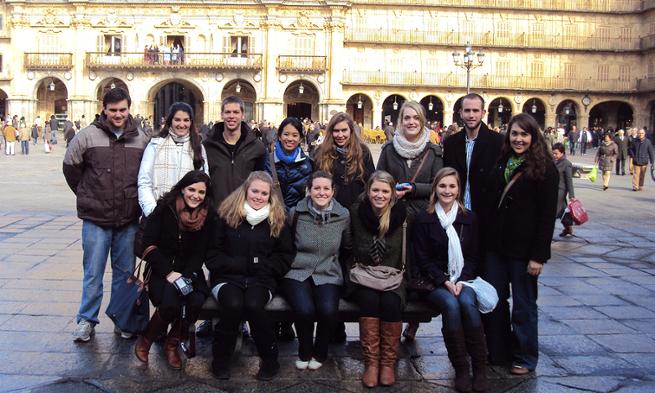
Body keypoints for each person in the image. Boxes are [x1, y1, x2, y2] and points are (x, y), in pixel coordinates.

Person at [63, 87, 150, 342]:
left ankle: (123, 320)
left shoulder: (141, 139)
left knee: (125, 274)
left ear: (129, 108)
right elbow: (71, 168)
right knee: (93, 272)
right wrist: (87, 194)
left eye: (122, 109)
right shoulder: (86, 137)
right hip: (96, 219)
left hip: (128, 219)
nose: (118, 115)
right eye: (113, 110)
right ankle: (86, 320)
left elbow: (146, 176)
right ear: (104, 109)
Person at [481, 113, 558, 375]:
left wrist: (539, 256)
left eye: (524, 134)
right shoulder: (503, 161)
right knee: (495, 300)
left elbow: (548, 217)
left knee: (524, 304)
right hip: (497, 246)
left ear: (533, 137)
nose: (518, 139)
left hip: (524, 251)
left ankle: (525, 356)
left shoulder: (546, 169)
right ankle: (500, 350)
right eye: (514, 134)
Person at [206, 171, 295, 381]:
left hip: (262, 279)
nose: (258, 196)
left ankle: (270, 359)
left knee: (255, 305)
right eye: (254, 191)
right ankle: (220, 358)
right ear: (246, 190)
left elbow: (285, 255)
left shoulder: (278, 219)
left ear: (270, 196)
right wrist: (236, 265)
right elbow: (212, 254)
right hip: (228, 278)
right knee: (233, 305)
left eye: (264, 193)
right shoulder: (226, 214)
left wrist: (265, 268)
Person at [413, 167, 487, 393]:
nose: (447, 191)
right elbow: (422, 259)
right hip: (434, 282)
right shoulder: (424, 219)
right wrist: (444, 280)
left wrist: (461, 280)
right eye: (442, 186)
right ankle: (461, 368)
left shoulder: (469, 218)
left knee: (466, 302)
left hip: (464, 279)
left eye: (452, 186)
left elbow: (474, 257)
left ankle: (480, 368)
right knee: (451, 305)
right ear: (435, 188)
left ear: (459, 189)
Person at [135, 171, 216, 369]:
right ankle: (146, 339)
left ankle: (172, 344)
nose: (196, 195)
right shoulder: (165, 208)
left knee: (196, 300)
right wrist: (168, 273)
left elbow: (200, 253)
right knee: (171, 301)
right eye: (192, 190)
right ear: (183, 188)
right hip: (161, 270)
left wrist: (186, 276)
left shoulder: (208, 215)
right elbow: (148, 243)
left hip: (189, 271)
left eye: (201, 192)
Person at [376, 101, 443, 341]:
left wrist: (413, 189)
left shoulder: (433, 152)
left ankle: (413, 323)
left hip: (423, 218)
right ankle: (392, 322)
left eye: (416, 118)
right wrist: (389, 190)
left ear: (422, 121)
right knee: (394, 267)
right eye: (406, 118)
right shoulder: (388, 150)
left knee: (419, 268)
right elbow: (378, 178)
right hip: (394, 216)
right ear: (400, 121)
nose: (411, 122)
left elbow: (439, 184)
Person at [313, 111, 375, 342]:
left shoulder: (363, 153)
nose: (340, 135)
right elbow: (315, 185)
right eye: (336, 131)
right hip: (328, 218)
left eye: (344, 131)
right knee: (330, 266)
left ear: (351, 132)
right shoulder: (321, 154)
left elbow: (370, 184)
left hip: (356, 217)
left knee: (351, 262)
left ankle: (346, 317)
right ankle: (332, 326)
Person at [281, 171, 352, 371]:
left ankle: (320, 351)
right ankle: (305, 349)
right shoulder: (296, 213)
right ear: (309, 190)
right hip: (297, 270)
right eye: (317, 188)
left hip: (328, 270)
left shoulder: (343, 215)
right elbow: (286, 245)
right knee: (304, 309)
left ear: (333, 191)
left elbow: (347, 246)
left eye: (326, 188)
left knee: (328, 310)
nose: (321, 192)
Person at [347, 170, 408, 388]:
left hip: (393, 276)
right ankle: (371, 362)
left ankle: (388, 363)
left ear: (392, 194)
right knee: (370, 300)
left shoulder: (403, 215)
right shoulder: (356, 212)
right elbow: (348, 247)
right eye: (375, 190)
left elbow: (408, 254)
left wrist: (406, 279)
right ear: (368, 191)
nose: (379, 195)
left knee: (391, 302)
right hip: (363, 276)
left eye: (385, 191)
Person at [138, 102, 208, 218]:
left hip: (188, 216)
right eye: (177, 120)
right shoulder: (155, 145)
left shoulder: (198, 147)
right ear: (170, 121)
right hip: (157, 213)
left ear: (191, 122)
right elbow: (144, 181)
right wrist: (153, 212)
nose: (182, 124)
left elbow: (204, 182)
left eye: (186, 120)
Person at [203, 96, 266, 207]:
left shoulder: (257, 147)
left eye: (236, 112)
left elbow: (262, 181)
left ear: (242, 115)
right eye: (227, 112)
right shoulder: (207, 146)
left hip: (245, 213)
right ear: (222, 115)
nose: (231, 116)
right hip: (215, 214)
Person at [264, 116, 313, 210]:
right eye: (286, 134)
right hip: (272, 216)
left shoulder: (308, 164)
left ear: (300, 139)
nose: (290, 139)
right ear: (279, 136)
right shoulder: (267, 161)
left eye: (295, 135)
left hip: (296, 218)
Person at [552, 143, 576, 237]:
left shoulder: (566, 164)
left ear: (562, 153)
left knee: (552, 212)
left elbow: (569, 180)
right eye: (553, 153)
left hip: (560, 191)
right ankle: (568, 228)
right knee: (563, 211)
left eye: (556, 153)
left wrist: (572, 195)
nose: (554, 155)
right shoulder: (552, 161)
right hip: (552, 189)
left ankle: (547, 233)